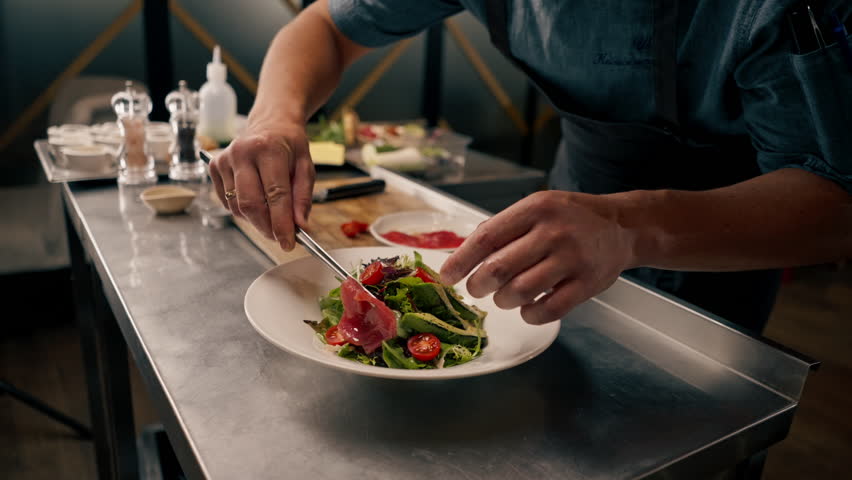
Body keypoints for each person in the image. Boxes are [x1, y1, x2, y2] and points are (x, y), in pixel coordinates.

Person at [209, 0, 851, 332]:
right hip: (570, 216)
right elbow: (325, 26)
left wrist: (627, 227)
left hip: (723, 242)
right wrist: (272, 119)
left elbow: (837, 205)